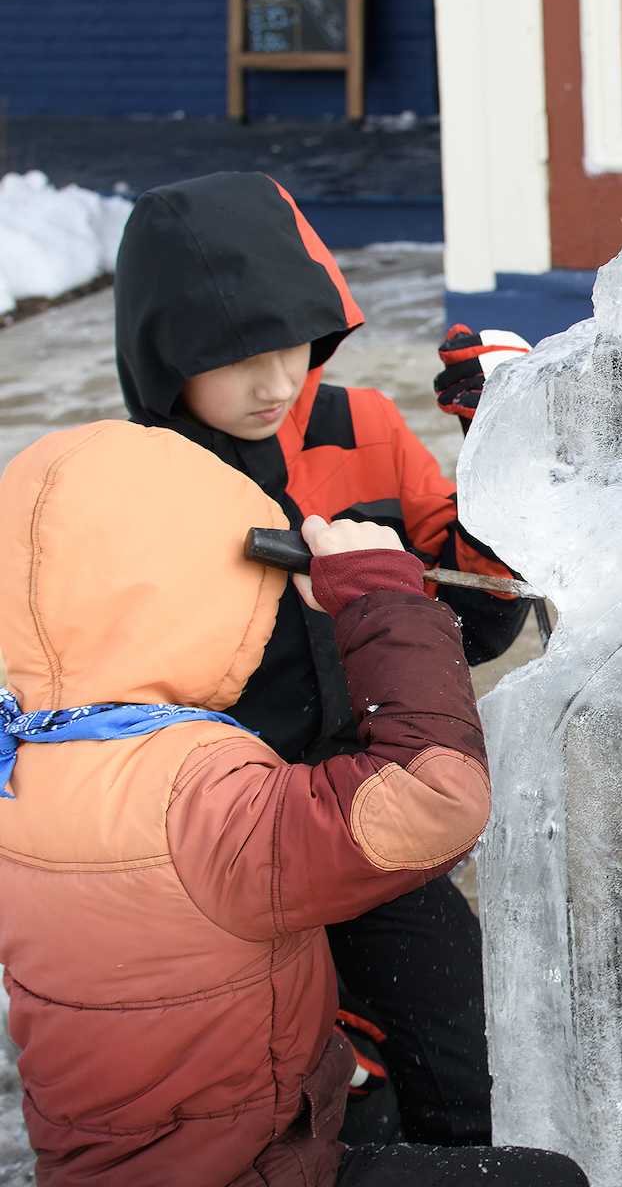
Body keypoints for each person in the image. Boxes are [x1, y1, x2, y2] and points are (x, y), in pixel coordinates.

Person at [0, 420, 587, 1186]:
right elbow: (432, 801)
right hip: (248, 1169)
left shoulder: (23, 759)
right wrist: (377, 599)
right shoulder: (197, 796)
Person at [114, 171, 531, 1146]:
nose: (273, 383)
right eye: (234, 357)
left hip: (373, 818)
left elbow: (484, 613)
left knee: (472, 1070)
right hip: (219, 866)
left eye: (290, 344)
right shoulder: (129, 495)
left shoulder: (360, 430)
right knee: (322, 1115)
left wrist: (506, 445)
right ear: (162, 356)